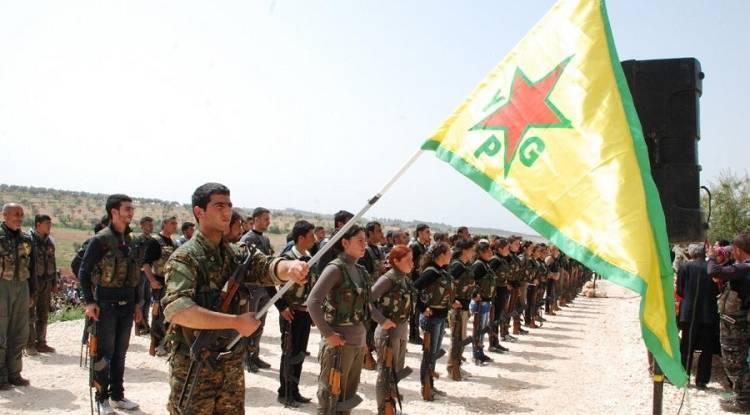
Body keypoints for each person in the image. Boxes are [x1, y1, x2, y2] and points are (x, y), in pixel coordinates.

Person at [162, 183, 308, 415]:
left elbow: (265, 266)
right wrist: (235, 322)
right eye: (219, 205)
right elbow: (178, 310)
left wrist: (289, 267)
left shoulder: (236, 253)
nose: (227, 212)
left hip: (231, 363)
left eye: (229, 205)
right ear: (199, 212)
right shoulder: (186, 258)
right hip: (195, 363)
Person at [78, 194, 144, 414]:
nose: (131, 213)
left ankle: (117, 395)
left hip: (127, 305)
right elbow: (84, 271)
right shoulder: (101, 240)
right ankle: (101, 398)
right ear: (114, 212)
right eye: (127, 209)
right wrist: (89, 302)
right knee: (104, 354)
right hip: (105, 305)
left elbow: (135, 275)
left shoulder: (131, 240)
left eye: (132, 209)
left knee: (120, 354)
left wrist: (137, 304)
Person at [307, 225, 370, 415]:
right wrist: (328, 334)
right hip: (338, 346)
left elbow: (364, 308)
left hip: (357, 344)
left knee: (347, 400)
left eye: (365, 240)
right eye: (360, 240)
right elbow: (313, 302)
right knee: (330, 399)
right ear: (345, 242)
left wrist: (364, 340)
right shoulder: (335, 269)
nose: (364, 244)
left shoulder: (360, 271)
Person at [277, 220, 318, 407]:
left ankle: (294, 390)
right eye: (311, 236)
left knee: (300, 353)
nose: (314, 239)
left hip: (304, 312)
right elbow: (271, 285)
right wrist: (281, 307)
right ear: (301, 238)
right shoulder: (287, 259)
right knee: (289, 352)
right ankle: (285, 392)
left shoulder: (308, 257)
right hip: (291, 313)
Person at [708, 234, 750, 412]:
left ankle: (743, 402)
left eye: (733, 249)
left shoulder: (744, 268)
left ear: (738, 250)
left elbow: (713, 271)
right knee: (740, 362)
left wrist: (711, 256)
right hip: (740, 322)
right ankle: (741, 396)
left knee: (735, 363)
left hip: (736, 326)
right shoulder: (743, 268)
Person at [371, 244, 414, 414]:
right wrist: (382, 320)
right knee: (385, 375)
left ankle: (391, 407)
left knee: (395, 373)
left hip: (401, 332)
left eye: (412, 259)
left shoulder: (404, 278)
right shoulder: (388, 279)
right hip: (387, 335)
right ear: (396, 261)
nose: (412, 263)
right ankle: (383, 410)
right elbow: (366, 302)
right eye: (408, 260)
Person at [414, 242, 455, 400]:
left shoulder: (441, 270)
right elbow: (414, 288)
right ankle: (425, 386)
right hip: (431, 318)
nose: (451, 255)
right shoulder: (431, 271)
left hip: (440, 317)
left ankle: (430, 384)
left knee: (433, 354)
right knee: (429, 354)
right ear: (441, 255)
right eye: (449, 253)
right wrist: (422, 307)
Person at [0, 203, 34, 390]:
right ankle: (1, 375)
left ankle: (14, 373)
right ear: (4, 215)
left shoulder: (26, 239)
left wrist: (32, 292)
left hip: (22, 286)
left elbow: (32, 267)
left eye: (21, 214)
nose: (19, 218)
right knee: (1, 332)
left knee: (20, 331)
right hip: (2, 285)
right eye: (15, 214)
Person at [676, 243, 718, 389]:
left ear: (691, 253)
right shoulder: (711, 267)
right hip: (708, 312)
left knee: (687, 346)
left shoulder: (684, 267)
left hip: (689, 313)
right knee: (707, 349)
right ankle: (702, 381)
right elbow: (717, 290)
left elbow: (680, 290)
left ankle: (684, 377)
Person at [240, 207, 275, 373]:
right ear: (256, 219)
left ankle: (255, 355)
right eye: (265, 219)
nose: (268, 222)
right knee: (250, 323)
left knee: (260, 324)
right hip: (252, 288)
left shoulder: (265, 239)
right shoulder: (247, 239)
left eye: (268, 219)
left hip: (264, 288)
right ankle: (246, 358)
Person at [148, 216, 178, 357]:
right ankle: (158, 343)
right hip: (159, 283)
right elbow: (145, 263)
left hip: (170, 283)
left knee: (168, 314)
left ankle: (166, 342)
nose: (175, 226)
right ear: (164, 224)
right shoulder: (155, 241)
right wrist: (152, 281)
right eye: (172, 223)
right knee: (158, 315)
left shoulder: (173, 242)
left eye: (176, 223)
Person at [27, 214, 57, 354]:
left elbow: (53, 263)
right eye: (47, 224)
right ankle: (29, 344)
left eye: (50, 224)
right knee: (30, 314)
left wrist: (54, 282)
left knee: (43, 313)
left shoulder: (49, 242)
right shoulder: (29, 240)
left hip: (46, 281)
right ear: (38, 224)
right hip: (33, 281)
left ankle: (41, 342)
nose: (49, 226)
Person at [447, 239, 476, 380]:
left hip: (464, 307)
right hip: (457, 309)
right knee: (457, 339)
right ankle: (452, 368)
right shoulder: (457, 266)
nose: (473, 252)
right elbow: (446, 283)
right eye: (472, 249)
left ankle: (456, 365)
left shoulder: (465, 265)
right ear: (464, 250)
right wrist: (452, 302)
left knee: (461, 339)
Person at [358, 221, 386, 370]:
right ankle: (365, 356)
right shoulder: (366, 251)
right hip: (368, 294)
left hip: (378, 294)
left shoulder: (379, 250)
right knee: (366, 326)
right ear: (370, 233)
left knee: (374, 326)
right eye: (378, 231)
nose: (381, 234)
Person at [470, 241, 496, 365]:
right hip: (480, 302)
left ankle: (480, 352)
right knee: (478, 329)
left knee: (482, 329)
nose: (491, 253)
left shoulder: (485, 264)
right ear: (481, 252)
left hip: (486, 301)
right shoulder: (478, 265)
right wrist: (474, 295)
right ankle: (476, 355)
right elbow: (470, 281)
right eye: (488, 251)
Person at [408, 224, 431, 344]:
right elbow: (410, 265)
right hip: (414, 282)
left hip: (420, 281)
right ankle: (413, 335)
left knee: (417, 309)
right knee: (414, 310)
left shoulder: (423, 247)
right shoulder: (415, 246)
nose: (429, 234)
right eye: (427, 232)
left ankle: (415, 334)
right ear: (420, 233)